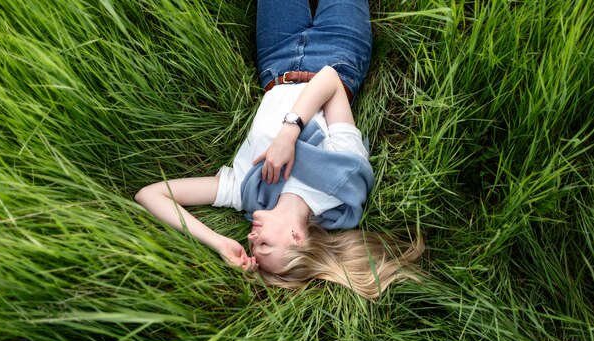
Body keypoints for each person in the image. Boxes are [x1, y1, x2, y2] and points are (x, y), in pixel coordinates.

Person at [135, 0, 424, 298]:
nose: (251, 236)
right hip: (339, 53)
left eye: (251, 244)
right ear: (296, 237)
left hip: (277, 57)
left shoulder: (247, 191)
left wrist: (218, 242)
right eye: (263, 244)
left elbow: (150, 194)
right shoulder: (340, 186)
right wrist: (289, 132)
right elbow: (329, 80)